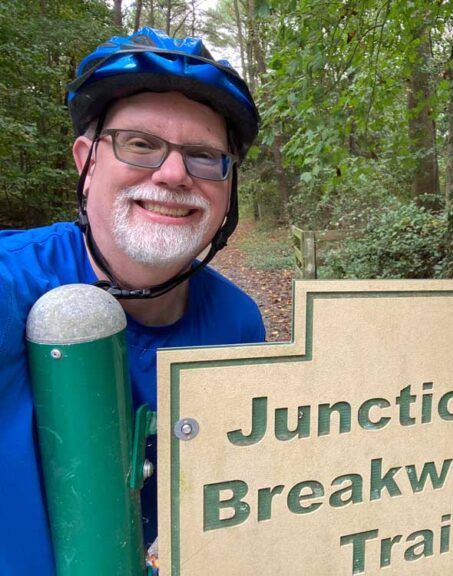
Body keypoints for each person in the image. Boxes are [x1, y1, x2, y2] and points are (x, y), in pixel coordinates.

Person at [0, 28, 266, 574]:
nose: (173, 174)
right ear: (87, 160)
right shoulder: (9, 285)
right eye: (140, 144)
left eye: (203, 155)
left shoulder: (238, 324)